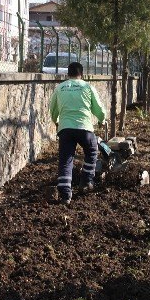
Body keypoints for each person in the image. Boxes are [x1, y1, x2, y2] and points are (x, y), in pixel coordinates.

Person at [49, 61, 106, 205]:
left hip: (65, 129)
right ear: (81, 74)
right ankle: (86, 182)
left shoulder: (60, 88)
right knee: (92, 151)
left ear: (68, 74)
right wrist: (102, 119)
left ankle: (65, 195)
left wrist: (56, 121)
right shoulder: (88, 87)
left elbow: (53, 109)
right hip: (84, 128)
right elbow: (98, 109)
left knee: (66, 159)